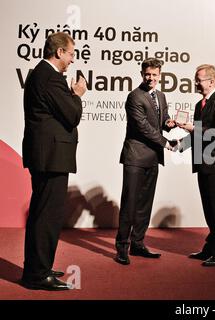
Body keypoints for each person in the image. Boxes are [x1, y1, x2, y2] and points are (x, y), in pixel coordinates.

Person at [21, 32, 87, 290]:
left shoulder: (43, 74)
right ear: (59, 52)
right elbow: (71, 115)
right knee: (47, 215)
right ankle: (37, 274)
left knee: (43, 213)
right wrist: (78, 94)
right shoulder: (49, 77)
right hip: (50, 157)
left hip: (48, 155)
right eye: (71, 53)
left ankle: (38, 267)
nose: (72, 60)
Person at [115, 58, 177, 265]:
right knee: (130, 204)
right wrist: (165, 142)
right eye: (147, 74)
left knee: (144, 204)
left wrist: (169, 122)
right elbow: (142, 126)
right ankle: (122, 247)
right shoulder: (134, 97)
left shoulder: (161, 95)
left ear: (160, 75)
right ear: (142, 74)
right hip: (135, 156)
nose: (150, 78)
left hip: (152, 158)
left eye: (154, 74)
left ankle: (138, 244)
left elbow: (161, 120)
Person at [178, 64, 215, 267]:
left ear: (211, 81)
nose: (195, 82)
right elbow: (196, 135)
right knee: (209, 209)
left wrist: (194, 128)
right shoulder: (198, 105)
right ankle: (211, 248)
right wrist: (179, 144)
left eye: (199, 79)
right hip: (203, 165)